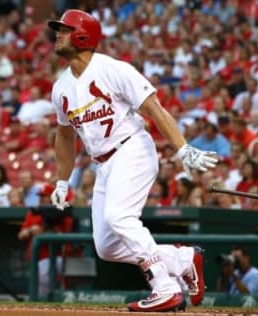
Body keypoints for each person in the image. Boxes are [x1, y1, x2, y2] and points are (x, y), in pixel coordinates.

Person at [47, 10, 217, 312]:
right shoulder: (60, 88)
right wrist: (62, 179)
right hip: (103, 163)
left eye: (64, 29)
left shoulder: (113, 70)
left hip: (132, 149)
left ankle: (164, 287)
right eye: (58, 29)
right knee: (107, 247)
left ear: (83, 35)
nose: (57, 34)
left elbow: (154, 109)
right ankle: (184, 260)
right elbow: (64, 136)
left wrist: (182, 148)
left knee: (119, 218)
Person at [18, 184, 73, 299]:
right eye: (41, 196)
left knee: (49, 284)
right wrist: (30, 231)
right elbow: (21, 235)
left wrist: (44, 231)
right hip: (36, 258)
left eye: (45, 196)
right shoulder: (34, 212)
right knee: (38, 288)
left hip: (56, 257)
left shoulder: (62, 212)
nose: (42, 198)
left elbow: (64, 234)